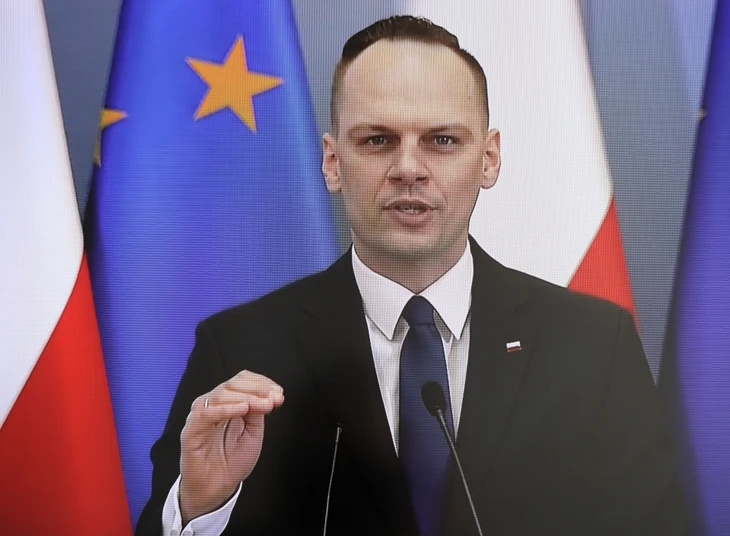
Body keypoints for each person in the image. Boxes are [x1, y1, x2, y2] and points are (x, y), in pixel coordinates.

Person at [135, 15, 689, 536]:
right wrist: (200, 506)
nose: (408, 169)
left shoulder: (592, 346)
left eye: (441, 140)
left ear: (488, 159)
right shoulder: (241, 350)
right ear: (332, 162)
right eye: (377, 140)